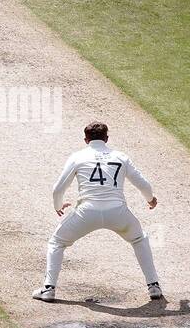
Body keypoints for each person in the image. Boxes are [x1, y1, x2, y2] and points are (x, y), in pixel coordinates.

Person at [32, 122, 162, 303]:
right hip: (118, 213)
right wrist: (150, 199)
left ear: (86, 140)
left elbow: (58, 189)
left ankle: (48, 289)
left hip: (86, 213)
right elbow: (143, 183)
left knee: (57, 242)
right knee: (139, 238)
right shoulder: (121, 157)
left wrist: (58, 206)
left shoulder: (77, 157)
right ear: (107, 138)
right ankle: (153, 285)